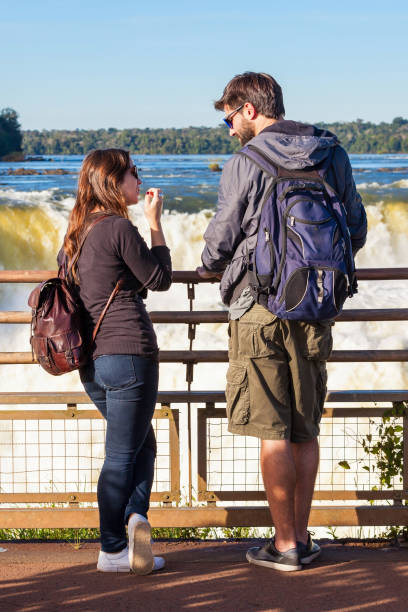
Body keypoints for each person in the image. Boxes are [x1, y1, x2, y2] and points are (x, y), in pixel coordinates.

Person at [197, 72, 367, 572]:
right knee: (305, 429)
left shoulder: (246, 162)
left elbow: (219, 242)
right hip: (315, 306)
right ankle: (304, 536)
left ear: (250, 109)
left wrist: (210, 266)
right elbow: (354, 228)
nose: (229, 129)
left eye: (230, 117)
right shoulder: (330, 151)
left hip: (260, 307)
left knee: (273, 430)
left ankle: (285, 544)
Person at [58, 149, 172, 574]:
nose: (139, 181)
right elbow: (159, 279)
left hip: (92, 364)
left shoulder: (75, 234)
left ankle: (135, 522)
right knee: (123, 455)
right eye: (133, 174)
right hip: (129, 355)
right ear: (112, 181)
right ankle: (112, 549)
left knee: (142, 444)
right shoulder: (118, 228)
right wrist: (155, 222)